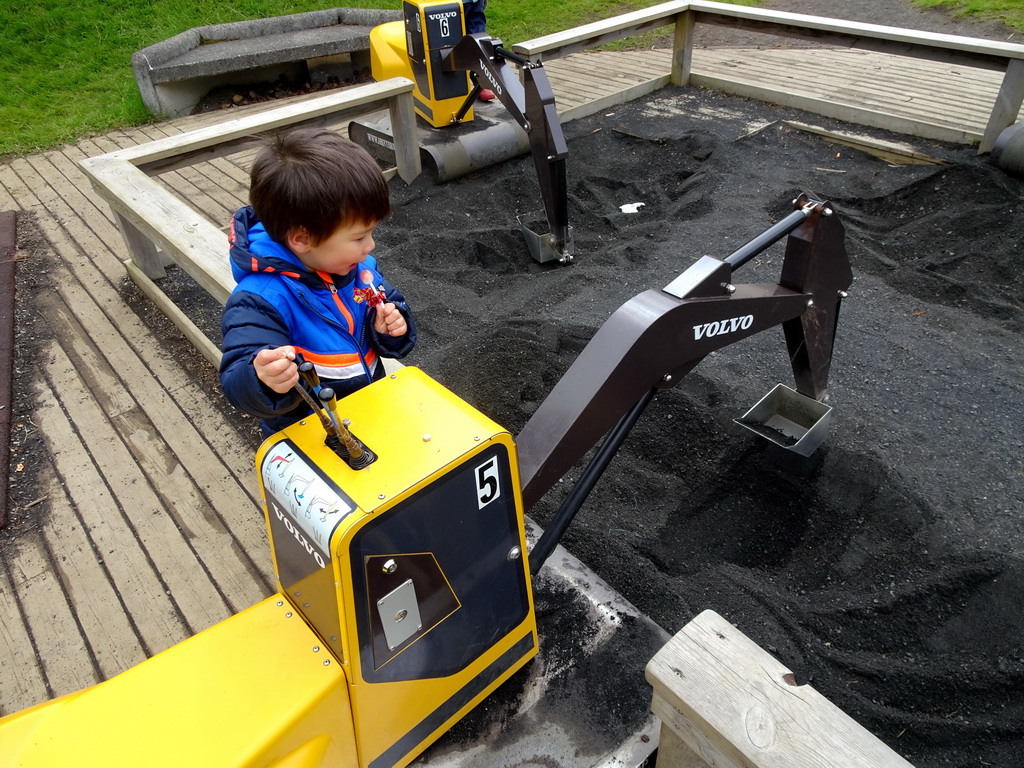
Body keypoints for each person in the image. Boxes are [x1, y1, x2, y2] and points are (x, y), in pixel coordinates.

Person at [219, 128, 416, 438]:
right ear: (302, 238)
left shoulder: (357, 268)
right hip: (308, 431)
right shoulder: (261, 300)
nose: (371, 246)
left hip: (367, 408)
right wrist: (262, 378)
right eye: (359, 237)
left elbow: (388, 302)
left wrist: (393, 325)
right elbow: (235, 380)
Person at [462, 0, 495, 101]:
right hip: (446, 4)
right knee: (448, 40)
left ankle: (480, 82)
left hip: (473, 2)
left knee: (478, 39)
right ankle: (454, 87)